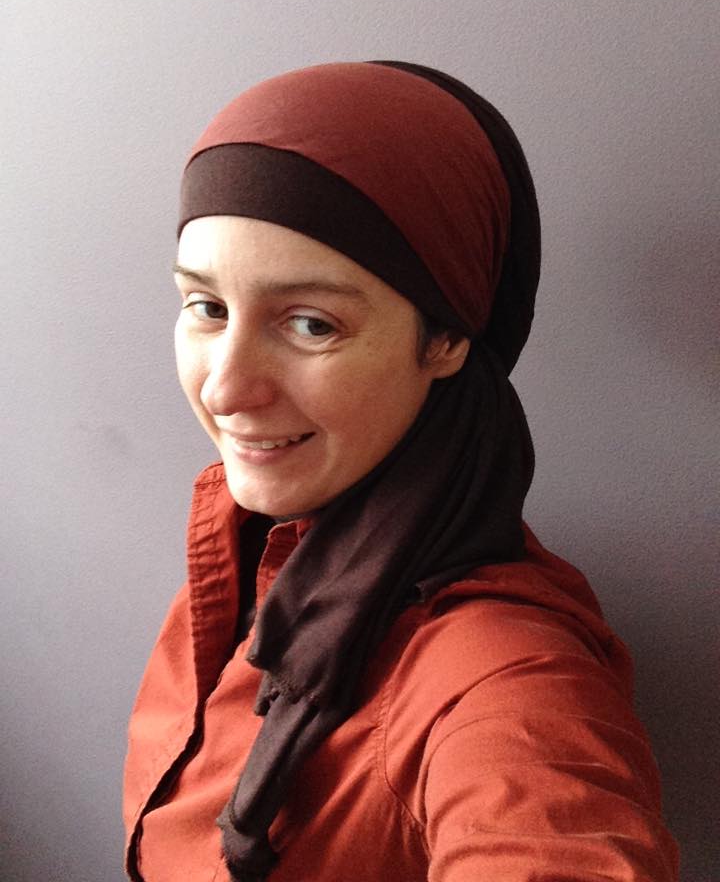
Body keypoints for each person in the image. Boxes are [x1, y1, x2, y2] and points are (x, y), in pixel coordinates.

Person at [123, 61, 679, 882]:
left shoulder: (505, 678)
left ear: (445, 338)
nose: (226, 389)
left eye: (311, 324)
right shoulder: (244, 559)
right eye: (207, 307)